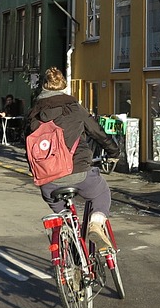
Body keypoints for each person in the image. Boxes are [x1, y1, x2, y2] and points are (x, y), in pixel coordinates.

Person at [26, 67, 120, 249]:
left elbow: (29, 149)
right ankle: (95, 223)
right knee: (101, 193)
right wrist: (114, 152)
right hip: (80, 172)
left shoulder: (33, 114)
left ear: (44, 87)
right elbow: (97, 133)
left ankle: (70, 243)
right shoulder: (75, 109)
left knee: (62, 214)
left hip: (48, 182)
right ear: (64, 87)